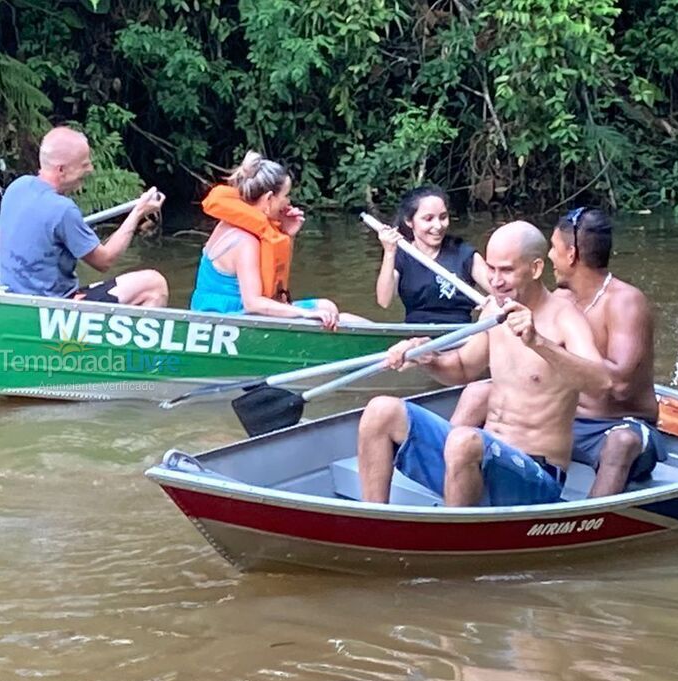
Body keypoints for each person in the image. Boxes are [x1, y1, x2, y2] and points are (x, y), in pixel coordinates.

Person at [356, 221, 612, 507]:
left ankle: (456, 539)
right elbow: (463, 368)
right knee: (380, 411)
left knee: (464, 441)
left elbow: (601, 383)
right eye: (491, 269)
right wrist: (429, 358)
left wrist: (537, 341)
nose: (496, 280)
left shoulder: (565, 317)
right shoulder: (493, 309)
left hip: (535, 475)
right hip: (478, 458)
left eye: (506, 270)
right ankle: (375, 519)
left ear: (536, 268)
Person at [451, 208, 666, 497]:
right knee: (478, 392)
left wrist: (552, 355)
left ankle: (588, 522)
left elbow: (617, 386)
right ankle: (453, 479)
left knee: (621, 443)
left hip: (617, 425)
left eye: (553, 247)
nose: (550, 255)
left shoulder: (625, 302)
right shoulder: (560, 299)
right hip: (567, 422)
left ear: (571, 254)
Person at [0, 126, 168, 306]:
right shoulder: (63, 210)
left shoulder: (16, 187)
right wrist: (137, 213)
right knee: (154, 285)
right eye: (84, 164)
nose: (90, 168)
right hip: (55, 309)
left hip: (14, 303)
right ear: (61, 169)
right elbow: (104, 261)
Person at [188, 151, 366, 329]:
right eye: (285, 195)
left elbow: (275, 280)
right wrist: (306, 314)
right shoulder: (246, 242)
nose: (288, 202)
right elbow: (253, 303)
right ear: (268, 199)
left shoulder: (232, 224)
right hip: (224, 318)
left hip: (236, 312)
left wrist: (288, 235)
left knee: (327, 308)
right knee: (325, 313)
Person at [373, 185, 490, 323]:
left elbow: (501, 290)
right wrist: (389, 252)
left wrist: (493, 303)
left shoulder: (464, 254)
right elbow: (384, 301)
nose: (438, 226)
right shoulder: (400, 256)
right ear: (409, 221)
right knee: (344, 319)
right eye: (428, 219)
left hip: (459, 334)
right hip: (414, 334)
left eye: (443, 217)